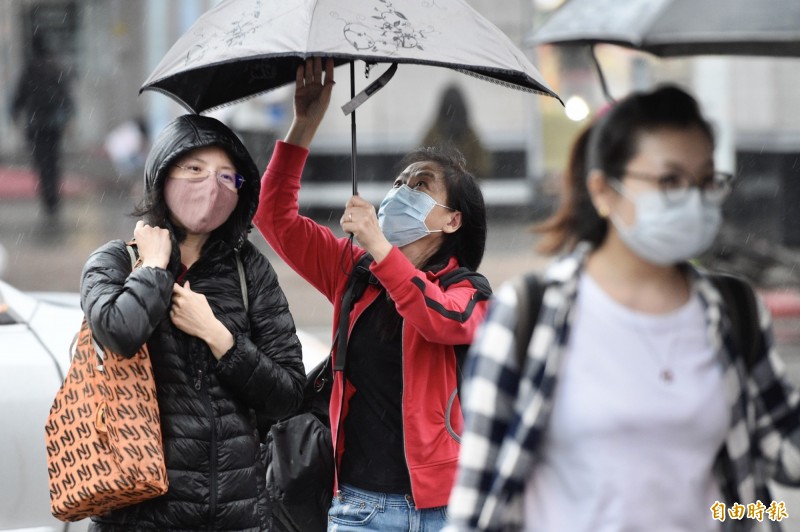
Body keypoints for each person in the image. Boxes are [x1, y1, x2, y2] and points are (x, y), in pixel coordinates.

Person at [447, 85, 800, 531]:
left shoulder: (734, 311)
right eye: (669, 180)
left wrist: (755, 513)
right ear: (604, 190)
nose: (693, 198)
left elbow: (782, 455)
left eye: (706, 180)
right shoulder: (531, 315)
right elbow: (476, 502)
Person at [253, 58, 493, 531]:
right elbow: (273, 217)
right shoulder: (354, 271)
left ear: (452, 220)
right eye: (400, 181)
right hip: (361, 508)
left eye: (420, 184)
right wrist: (305, 124)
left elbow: (439, 320)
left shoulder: (468, 290)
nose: (401, 190)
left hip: (446, 509)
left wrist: (379, 245)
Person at [80, 114, 306, 531]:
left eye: (226, 177)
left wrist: (220, 338)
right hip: (138, 515)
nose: (210, 187)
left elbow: (289, 395)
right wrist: (152, 269)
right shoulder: (115, 260)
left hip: (235, 516)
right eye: (195, 170)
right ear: (163, 176)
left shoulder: (248, 270)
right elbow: (118, 334)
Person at [11, 41, 74, 222]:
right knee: (53, 162)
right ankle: (53, 197)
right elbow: (65, 95)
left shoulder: (30, 70)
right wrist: (68, 116)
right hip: (53, 125)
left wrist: (15, 114)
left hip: (36, 125)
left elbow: (19, 96)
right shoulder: (55, 68)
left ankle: (48, 197)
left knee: (42, 162)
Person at [421, 84, 492, 179]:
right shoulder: (434, 133)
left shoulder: (470, 135)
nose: (453, 121)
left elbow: (483, 166)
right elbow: (483, 166)